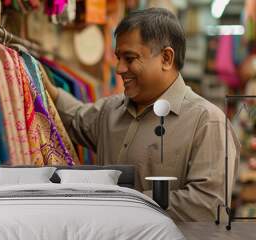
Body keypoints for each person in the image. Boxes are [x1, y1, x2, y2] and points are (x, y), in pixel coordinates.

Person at [42, 8, 240, 221]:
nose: (119, 68)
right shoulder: (111, 111)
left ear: (166, 58)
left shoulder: (207, 122)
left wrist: (121, 202)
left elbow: (206, 205)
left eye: (130, 58)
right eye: (118, 58)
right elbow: (75, 118)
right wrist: (48, 89)